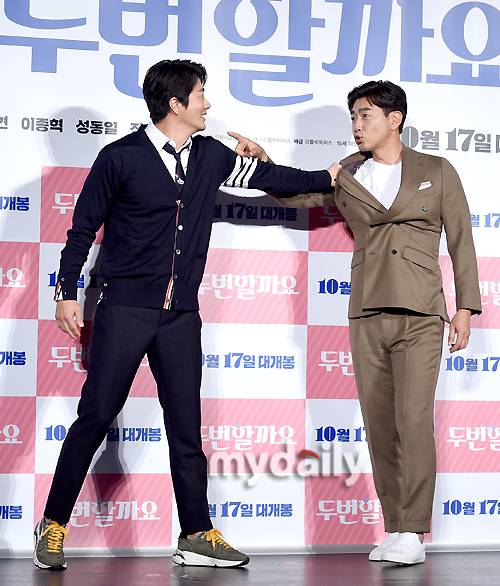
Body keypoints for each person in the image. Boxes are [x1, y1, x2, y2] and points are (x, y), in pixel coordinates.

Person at [33, 59, 339, 571]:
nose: (208, 103)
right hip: (125, 309)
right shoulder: (120, 157)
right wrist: (66, 292)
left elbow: (273, 177)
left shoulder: (212, 156)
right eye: (200, 95)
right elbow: (82, 229)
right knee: (96, 415)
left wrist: (329, 176)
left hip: (181, 316)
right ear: (175, 104)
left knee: (186, 427)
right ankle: (53, 523)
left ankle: (196, 533)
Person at [231, 80, 482, 565]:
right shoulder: (347, 171)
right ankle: (396, 527)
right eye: (353, 116)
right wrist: (262, 164)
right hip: (366, 310)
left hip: (421, 313)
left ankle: (415, 530)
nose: (357, 125)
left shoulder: (436, 170)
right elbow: (299, 198)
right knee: (379, 424)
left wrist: (465, 308)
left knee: (413, 421)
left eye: (365, 114)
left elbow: (461, 240)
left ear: (395, 119)